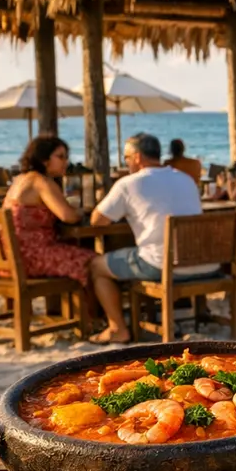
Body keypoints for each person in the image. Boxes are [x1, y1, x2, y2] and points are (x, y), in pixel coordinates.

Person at [1, 137, 125, 338]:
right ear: (43, 159)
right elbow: (67, 215)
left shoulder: (21, 179)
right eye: (60, 157)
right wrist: (82, 212)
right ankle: (100, 321)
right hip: (32, 257)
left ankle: (87, 317)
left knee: (81, 253)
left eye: (66, 156)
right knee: (93, 261)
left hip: (11, 257)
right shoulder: (41, 181)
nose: (65, 161)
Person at [88, 133, 207, 344]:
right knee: (144, 252)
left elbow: (97, 220)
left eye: (126, 157)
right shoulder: (185, 178)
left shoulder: (128, 184)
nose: (126, 162)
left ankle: (117, 328)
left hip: (163, 266)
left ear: (137, 157)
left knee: (96, 266)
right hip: (204, 264)